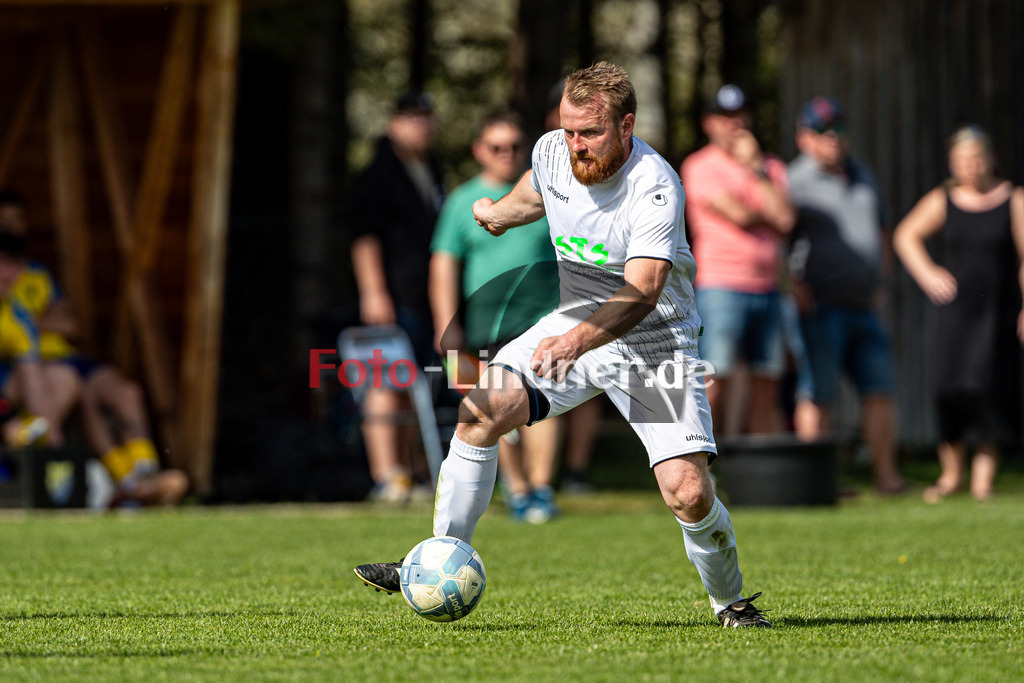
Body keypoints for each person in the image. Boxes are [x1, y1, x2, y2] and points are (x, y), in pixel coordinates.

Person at [355, 63, 771, 628]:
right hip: (574, 322)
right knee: (480, 410)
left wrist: (574, 341)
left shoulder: (654, 185)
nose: (576, 146)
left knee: (688, 492)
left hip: (654, 343)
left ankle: (732, 604)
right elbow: (539, 186)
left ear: (626, 126)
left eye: (591, 134)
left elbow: (644, 290)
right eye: (569, 131)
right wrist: (499, 214)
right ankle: (437, 556)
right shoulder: (555, 150)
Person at [0, 191, 188, 507]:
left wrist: (40, 320)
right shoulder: (12, 311)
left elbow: (71, 325)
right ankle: (123, 484)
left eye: (16, 219)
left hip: (63, 360)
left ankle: (144, 471)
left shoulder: (35, 277)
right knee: (72, 393)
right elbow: (31, 354)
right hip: (35, 373)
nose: (12, 226)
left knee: (127, 393)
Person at [429, 110, 563, 523]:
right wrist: (446, 330)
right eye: (496, 147)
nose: (506, 154)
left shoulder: (544, 193)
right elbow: (443, 267)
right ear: (479, 151)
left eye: (514, 146)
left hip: (544, 318)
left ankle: (542, 490)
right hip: (487, 324)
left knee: (544, 404)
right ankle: (518, 490)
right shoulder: (460, 202)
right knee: (490, 407)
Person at [893, 125, 1024, 502]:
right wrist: (928, 272)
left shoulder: (1012, 199)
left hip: (997, 312)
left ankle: (983, 482)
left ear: (991, 159)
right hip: (954, 314)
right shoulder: (942, 199)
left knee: (990, 392)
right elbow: (906, 235)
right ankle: (951, 475)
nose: (972, 166)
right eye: (965, 160)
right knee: (950, 390)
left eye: (979, 158)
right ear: (954, 163)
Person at [786, 97, 906, 494]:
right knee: (819, 394)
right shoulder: (794, 180)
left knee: (881, 391)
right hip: (821, 306)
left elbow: (884, 230)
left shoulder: (862, 174)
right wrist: (793, 285)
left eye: (837, 127)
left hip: (864, 306)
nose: (833, 136)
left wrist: (881, 282)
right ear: (804, 137)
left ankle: (886, 478)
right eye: (822, 130)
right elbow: (778, 236)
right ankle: (819, 483)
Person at [680, 85, 795, 435]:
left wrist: (756, 169)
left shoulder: (769, 165)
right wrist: (767, 213)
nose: (734, 124)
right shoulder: (699, 165)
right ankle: (704, 465)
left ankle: (760, 475)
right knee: (714, 378)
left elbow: (787, 221)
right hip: (720, 286)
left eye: (739, 115)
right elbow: (741, 214)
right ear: (708, 123)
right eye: (724, 117)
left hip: (768, 286)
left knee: (767, 383)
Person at [349, 92, 447, 503]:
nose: (420, 126)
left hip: (422, 296)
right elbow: (364, 237)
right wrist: (373, 292)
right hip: (390, 296)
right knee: (385, 379)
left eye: (426, 118)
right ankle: (386, 474)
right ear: (393, 124)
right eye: (411, 118)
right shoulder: (379, 173)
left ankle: (410, 472)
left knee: (418, 385)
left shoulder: (430, 169)